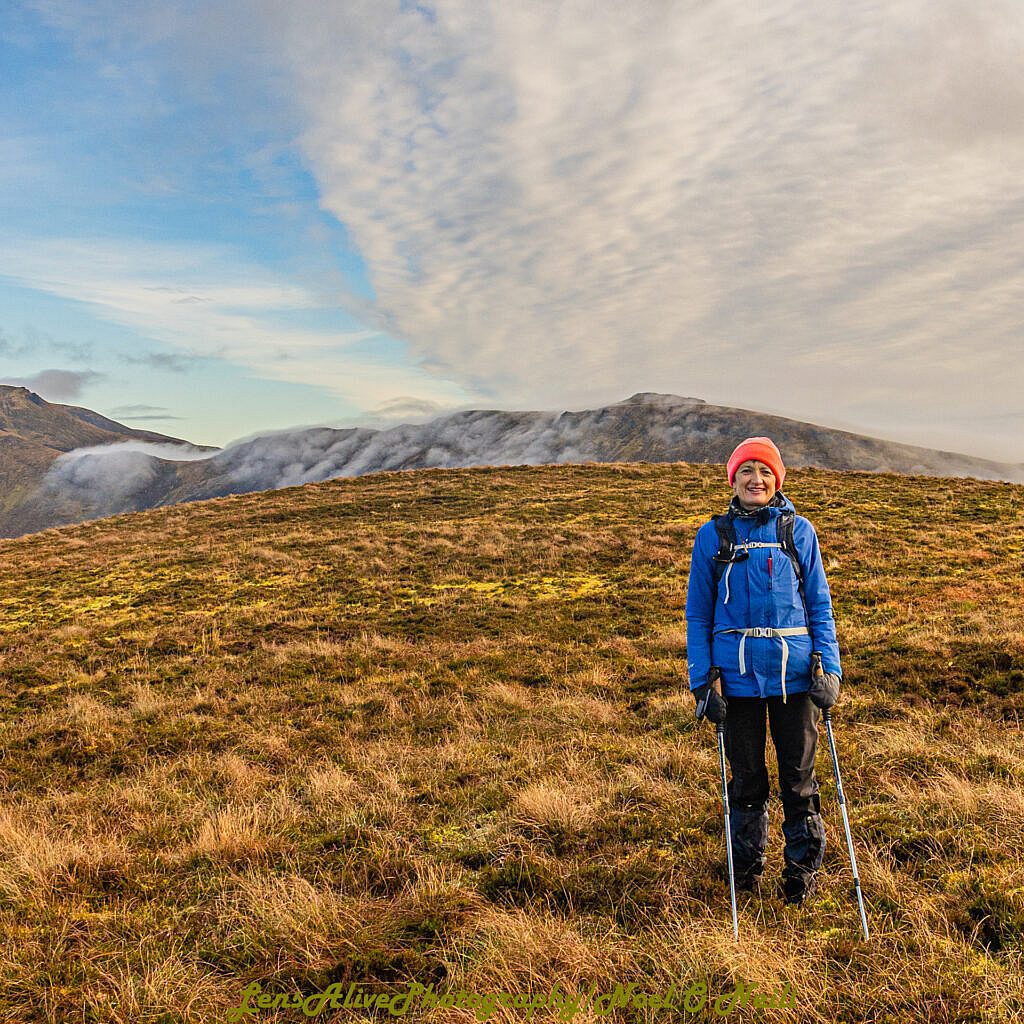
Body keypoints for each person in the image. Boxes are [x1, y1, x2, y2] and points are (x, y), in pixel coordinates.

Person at [685, 437, 842, 904]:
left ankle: (800, 879)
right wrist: (701, 680)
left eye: (766, 471)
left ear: (778, 480)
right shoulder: (713, 535)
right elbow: (698, 613)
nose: (757, 479)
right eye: (747, 470)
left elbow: (819, 606)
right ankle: (746, 874)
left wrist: (829, 670)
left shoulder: (799, 532)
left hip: (796, 678)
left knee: (798, 779)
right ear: (732, 479)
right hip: (735, 682)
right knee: (748, 778)